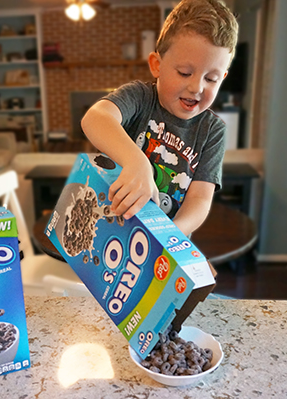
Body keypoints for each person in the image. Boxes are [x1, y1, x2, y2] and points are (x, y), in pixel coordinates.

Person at [81, 0, 238, 236]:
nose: (197, 87)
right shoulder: (140, 97)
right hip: (110, 229)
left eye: (211, 79)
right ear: (157, 65)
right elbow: (94, 118)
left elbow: (200, 199)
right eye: (184, 73)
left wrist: (170, 235)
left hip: (163, 243)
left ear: (223, 77)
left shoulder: (212, 130)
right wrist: (137, 163)